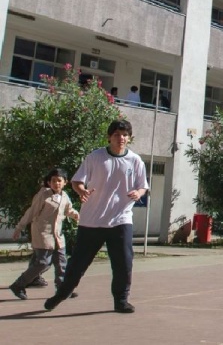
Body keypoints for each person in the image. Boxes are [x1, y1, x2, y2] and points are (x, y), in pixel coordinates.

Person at [44, 120, 149, 314]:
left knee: (124, 263)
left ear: (129, 138)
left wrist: (139, 193)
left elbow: (143, 185)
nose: (121, 138)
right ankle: (62, 293)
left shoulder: (135, 160)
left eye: (125, 135)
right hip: (92, 221)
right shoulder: (95, 157)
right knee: (78, 264)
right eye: (117, 135)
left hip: (121, 219)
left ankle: (121, 300)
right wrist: (81, 190)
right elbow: (77, 181)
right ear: (110, 137)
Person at [9, 168, 80, 300]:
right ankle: (18, 285)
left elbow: (68, 209)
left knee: (61, 263)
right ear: (49, 182)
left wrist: (77, 215)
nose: (56, 183)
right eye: (53, 181)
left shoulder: (64, 196)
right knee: (43, 263)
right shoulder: (43, 195)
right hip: (43, 234)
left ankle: (62, 289)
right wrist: (19, 227)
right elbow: (31, 212)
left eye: (59, 181)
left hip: (58, 236)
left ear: (65, 182)